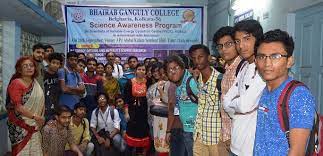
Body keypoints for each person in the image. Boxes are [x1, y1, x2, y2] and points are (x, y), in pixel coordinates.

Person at [253, 29, 316, 155]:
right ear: (255, 61)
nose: (267, 63)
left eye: (275, 56)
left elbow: (297, 152)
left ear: (289, 61)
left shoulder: (298, 95)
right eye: (261, 57)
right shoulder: (266, 90)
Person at [223, 19, 266, 156]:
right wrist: (238, 106)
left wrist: (236, 106)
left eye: (247, 39)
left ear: (258, 39)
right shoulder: (244, 67)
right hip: (236, 142)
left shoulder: (264, 70)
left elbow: (244, 105)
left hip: (252, 148)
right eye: (237, 41)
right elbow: (225, 102)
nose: (241, 45)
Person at [189, 44, 225, 156]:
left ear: (209, 57)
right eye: (194, 58)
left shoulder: (220, 79)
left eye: (200, 57)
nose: (197, 60)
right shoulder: (198, 79)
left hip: (215, 137)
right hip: (199, 135)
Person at [213, 26, 244, 153]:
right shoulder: (227, 69)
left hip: (237, 136)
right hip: (226, 133)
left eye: (228, 44)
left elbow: (242, 107)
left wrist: (233, 136)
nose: (223, 50)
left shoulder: (242, 68)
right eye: (220, 46)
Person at [6, 56, 45, 156]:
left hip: (36, 123)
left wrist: (40, 118)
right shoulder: (16, 83)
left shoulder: (35, 83)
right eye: (25, 66)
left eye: (31, 65)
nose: (29, 68)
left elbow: (41, 102)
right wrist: (35, 117)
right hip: (20, 125)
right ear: (19, 69)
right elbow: (18, 107)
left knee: (35, 151)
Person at [164, 55, 199, 156]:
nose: (172, 72)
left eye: (176, 68)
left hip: (196, 133)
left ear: (183, 68)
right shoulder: (179, 86)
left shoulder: (192, 82)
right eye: (169, 70)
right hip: (187, 129)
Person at [124, 63, 151, 155]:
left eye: (143, 69)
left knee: (142, 135)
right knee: (131, 135)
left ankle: (140, 153)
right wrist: (126, 113)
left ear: (145, 71)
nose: (141, 71)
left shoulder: (148, 82)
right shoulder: (129, 82)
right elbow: (126, 99)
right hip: (132, 113)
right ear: (135, 71)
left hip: (144, 113)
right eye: (139, 69)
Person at [44, 53, 63, 121]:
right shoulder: (43, 75)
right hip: (43, 108)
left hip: (55, 109)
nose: (55, 65)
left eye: (58, 63)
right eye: (53, 62)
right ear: (49, 62)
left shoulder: (59, 76)